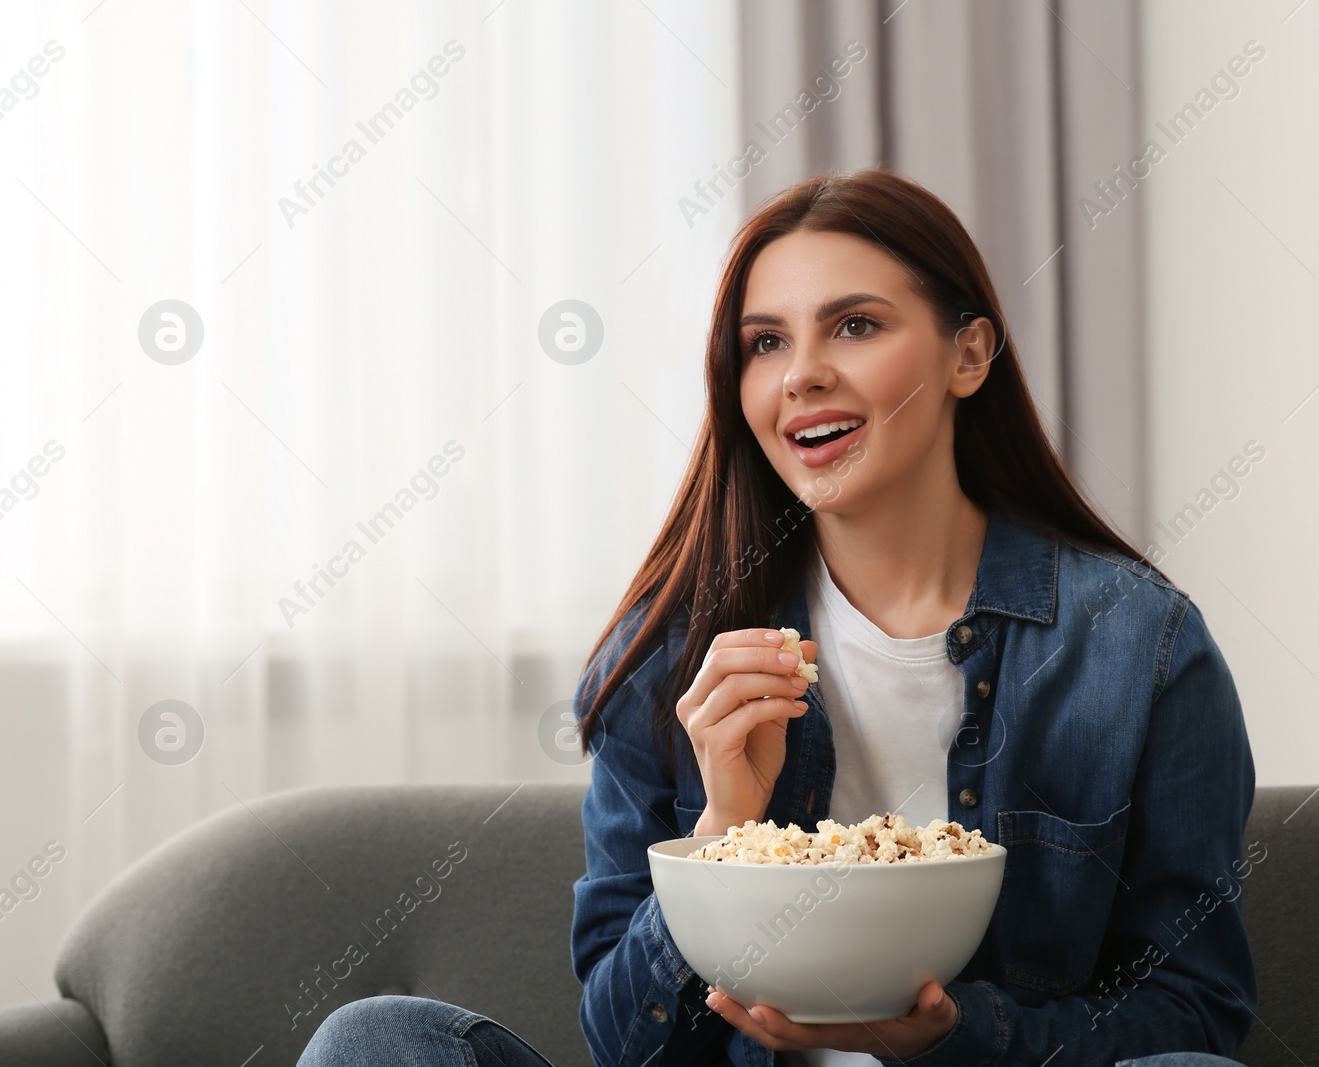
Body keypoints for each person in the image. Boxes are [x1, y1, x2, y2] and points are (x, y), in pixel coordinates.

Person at [297, 168, 1259, 1067]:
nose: (801, 373)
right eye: (766, 342)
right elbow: (621, 1043)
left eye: (854, 326)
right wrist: (719, 830)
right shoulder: (671, 650)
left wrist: (957, 1037)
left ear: (969, 353)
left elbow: (1196, 1007)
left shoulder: (1139, 648)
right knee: (377, 1040)